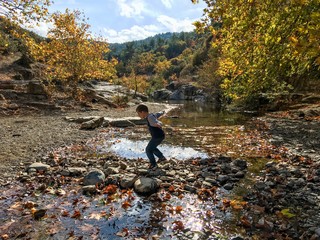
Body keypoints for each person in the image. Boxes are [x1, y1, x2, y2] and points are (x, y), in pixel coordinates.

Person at [136, 104, 167, 170]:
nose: (138, 116)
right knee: (152, 148)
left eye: (139, 114)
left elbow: (156, 122)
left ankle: (153, 164)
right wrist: (162, 112)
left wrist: (158, 124)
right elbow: (157, 114)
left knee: (148, 150)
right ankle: (162, 158)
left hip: (157, 136)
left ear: (143, 112)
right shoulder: (151, 115)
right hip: (159, 136)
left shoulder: (150, 117)